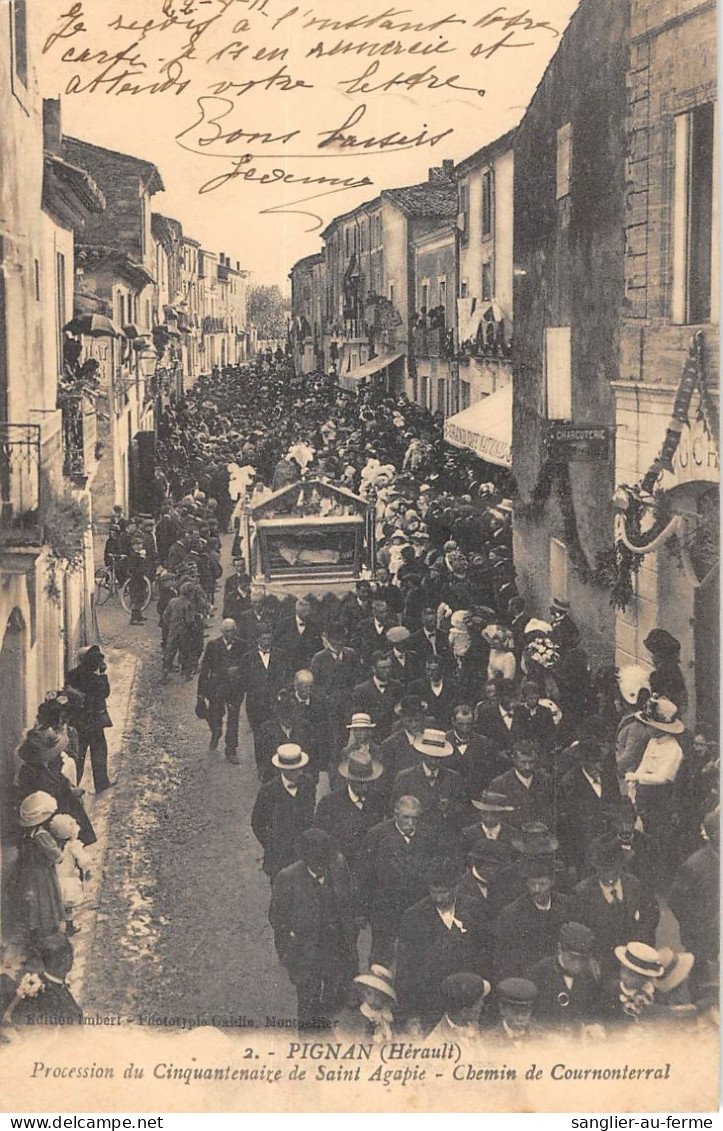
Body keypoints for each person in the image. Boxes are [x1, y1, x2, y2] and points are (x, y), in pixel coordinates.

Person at [268, 829, 358, 1033]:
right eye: (316, 864)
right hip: (305, 952)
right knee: (308, 1002)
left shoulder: (338, 865)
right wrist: (289, 953)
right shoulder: (287, 878)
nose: (322, 868)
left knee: (333, 996)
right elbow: (277, 919)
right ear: (306, 859)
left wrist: (349, 936)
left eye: (324, 862)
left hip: (335, 947)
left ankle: (325, 1031)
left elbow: (348, 902)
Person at [396, 858, 491, 1032]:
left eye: (444, 892)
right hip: (430, 1004)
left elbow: (485, 955)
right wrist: (410, 1014)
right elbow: (405, 969)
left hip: (467, 1003)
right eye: (434, 892)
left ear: (456, 887)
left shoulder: (475, 909)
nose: (438, 898)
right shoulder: (412, 917)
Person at [358, 795, 434, 966]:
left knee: (415, 952)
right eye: (406, 817)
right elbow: (364, 874)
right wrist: (361, 910)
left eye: (415, 818)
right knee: (381, 953)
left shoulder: (428, 835)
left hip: (415, 904)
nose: (411, 823)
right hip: (384, 905)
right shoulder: (377, 835)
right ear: (396, 815)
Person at [571, 835, 659, 974]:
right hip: (601, 963)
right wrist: (590, 959)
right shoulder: (583, 893)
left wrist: (640, 945)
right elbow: (580, 932)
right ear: (596, 868)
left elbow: (651, 916)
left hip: (633, 960)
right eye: (604, 870)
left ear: (621, 866)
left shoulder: (634, 884)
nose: (609, 875)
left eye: (614, 869)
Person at [493, 855, 574, 981]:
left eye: (542, 884)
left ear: (552, 882)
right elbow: (506, 961)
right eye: (532, 884)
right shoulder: (511, 914)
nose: (537, 889)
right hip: (528, 981)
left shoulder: (567, 905)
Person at [668, 808, 719, 992]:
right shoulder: (695, 865)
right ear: (712, 835)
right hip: (701, 937)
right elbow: (676, 900)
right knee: (703, 985)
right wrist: (697, 926)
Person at [314, 749, 386, 879]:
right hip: (342, 874)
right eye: (360, 783)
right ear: (348, 780)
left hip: (372, 874)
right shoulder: (329, 804)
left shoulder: (379, 799)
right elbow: (320, 842)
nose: (365, 788)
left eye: (368, 782)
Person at [392, 728, 466, 852]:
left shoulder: (454, 778)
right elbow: (394, 808)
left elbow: (463, 808)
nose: (434, 761)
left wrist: (449, 807)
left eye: (438, 758)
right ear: (422, 755)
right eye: (430, 757)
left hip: (444, 842)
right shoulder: (405, 777)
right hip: (414, 841)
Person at [250, 744, 316, 880]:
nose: (299, 773)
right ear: (282, 770)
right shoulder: (268, 791)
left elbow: (309, 816)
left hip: (302, 856)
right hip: (278, 859)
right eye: (294, 770)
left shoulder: (308, 785)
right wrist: (272, 844)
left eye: (300, 768)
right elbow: (257, 823)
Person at [13, 792, 65, 951]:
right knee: (47, 900)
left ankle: (36, 933)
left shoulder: (27, 835)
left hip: (29, 874)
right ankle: (49, 932)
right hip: (43, 875)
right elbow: (57, 856)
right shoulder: (43, 836)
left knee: (34, 903)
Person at [530, 922, 601, 1031]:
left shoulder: (590, 975)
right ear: (559, 949)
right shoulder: (541, 972)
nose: (577, 965)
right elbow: (531, 1017)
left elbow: (592, 1013)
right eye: (572, 958)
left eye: (583, 959)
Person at [66, 645, 114, 794]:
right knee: (99, 751)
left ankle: (73, 786)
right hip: (94, 721)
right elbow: (105, 693)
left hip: (78, 722)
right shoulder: (95, 678)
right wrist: (102, 675)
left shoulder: (72, 674)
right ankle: (101, 784)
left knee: (78, 755)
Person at [5, 935, 83, 1026]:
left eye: (70, 955)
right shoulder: (37, 992)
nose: (70, 959)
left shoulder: (56, 986)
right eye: (67, 955)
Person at [197, 618, 246, 763]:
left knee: (233, 718)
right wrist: (200, 693)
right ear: (222, 631)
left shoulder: (242, 645)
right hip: (216, 688)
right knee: (214, 714)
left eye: (232, 630)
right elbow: (205, 669)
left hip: (234, 689)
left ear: (236, 630)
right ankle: (216, 733)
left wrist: (239, 670)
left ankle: (231, 749)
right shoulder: (213, 645)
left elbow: (247, 665)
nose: (230, 634)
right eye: (227, 631)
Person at [446, 705, 510, 799]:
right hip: (449, 797)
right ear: (453, 721)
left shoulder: (485, 743)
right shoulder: (443, 740)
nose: (465, 729)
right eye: (461, 724)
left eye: (469, 724)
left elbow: (493, 771)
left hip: (477, 798)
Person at [488, 740, 554, 828]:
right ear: (514, 760)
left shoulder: (546, 780)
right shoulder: (499, 784)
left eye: (531, 762)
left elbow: (553, 809)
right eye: (523, 762)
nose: (527, 767)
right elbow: (494, 816)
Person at [600, 941, 665, 1025]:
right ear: (622, 969)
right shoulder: (609, 992)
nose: (626, 976)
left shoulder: (655, 995)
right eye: (628, 972)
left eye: (644, 977)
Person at [242, 623, 289, 739]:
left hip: (276, 704)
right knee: (259, 737)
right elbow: (243, 681)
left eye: (269, 638)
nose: (267, 642)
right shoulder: (248, 658)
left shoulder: (280, 655)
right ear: (258, 639)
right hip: (256, 705)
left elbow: (286, 676)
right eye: (264, 639)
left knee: (276, 737)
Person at [48, 814, 91, 937]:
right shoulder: (73, 846)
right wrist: (87, 870)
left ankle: (55, 929)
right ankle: (69, 927)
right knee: (68, 908)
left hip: (54, 881)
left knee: (56, 906)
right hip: (68, 881)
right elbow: (84, 860)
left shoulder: (52, 846)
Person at [425, 973, 491, 1046]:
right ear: (464, 1011)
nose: (482, 1005)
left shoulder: (477, 1028)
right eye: (478, 1002)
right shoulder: (434, 1044)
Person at [349, 652, 402, 741]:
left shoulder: (397, 686)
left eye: (389, 667)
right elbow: (358, 715)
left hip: (392, 735)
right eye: (383, 668)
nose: (387, 671)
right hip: (372, 737)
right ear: (373, 669)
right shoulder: (361, 690)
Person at [643, 629, 688, 716]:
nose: (653, 658)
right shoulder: (676, 672)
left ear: (661, 656)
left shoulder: (658, 676)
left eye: (654, 654)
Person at [349, 965, 397, 1042]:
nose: (373, 999)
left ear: (384, 998)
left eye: (378, 996)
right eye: (369, 993)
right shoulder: (361, 1015)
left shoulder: (386, 1016)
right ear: (363, 993)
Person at [410, 655, 457, 730]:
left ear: (442, 670)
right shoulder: (417, 686)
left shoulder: (452, 686)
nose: (430, 673)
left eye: (434, 670)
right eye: (428, 670)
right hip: (425, 726)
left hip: (447, 726)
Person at [492, 978, 539, 1043]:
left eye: (525, 1013)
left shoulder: (541, 1037)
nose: (520, 1018)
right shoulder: (489, 1040)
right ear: (502, 1009)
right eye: (515, 1013)